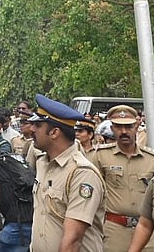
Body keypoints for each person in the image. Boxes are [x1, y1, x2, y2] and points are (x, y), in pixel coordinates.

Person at [29, 94, 105, 252]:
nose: (31, 129)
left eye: (38, 125)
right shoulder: (42, 162)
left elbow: (73, 240)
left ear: (54, 132)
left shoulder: (82, 173)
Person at [87, 105, 154, 252]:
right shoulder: (100, 156)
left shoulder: (153, 159)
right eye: (119, 127)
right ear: (112, 129)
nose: (124, 131)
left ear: (136, 127)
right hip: (114, 230)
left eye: (129, 126)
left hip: (148, 231)